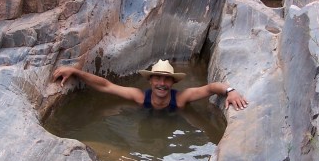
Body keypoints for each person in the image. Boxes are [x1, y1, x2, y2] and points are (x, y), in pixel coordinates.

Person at [53, 59, 248, 111]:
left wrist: (230, 91)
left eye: (166, 79)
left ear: (172, 82)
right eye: (158, 78)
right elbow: (106, 86)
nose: (162, 83)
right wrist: (76, 72)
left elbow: (209, 88)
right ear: (150, 81)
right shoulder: (139, 97)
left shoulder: (180, 100)